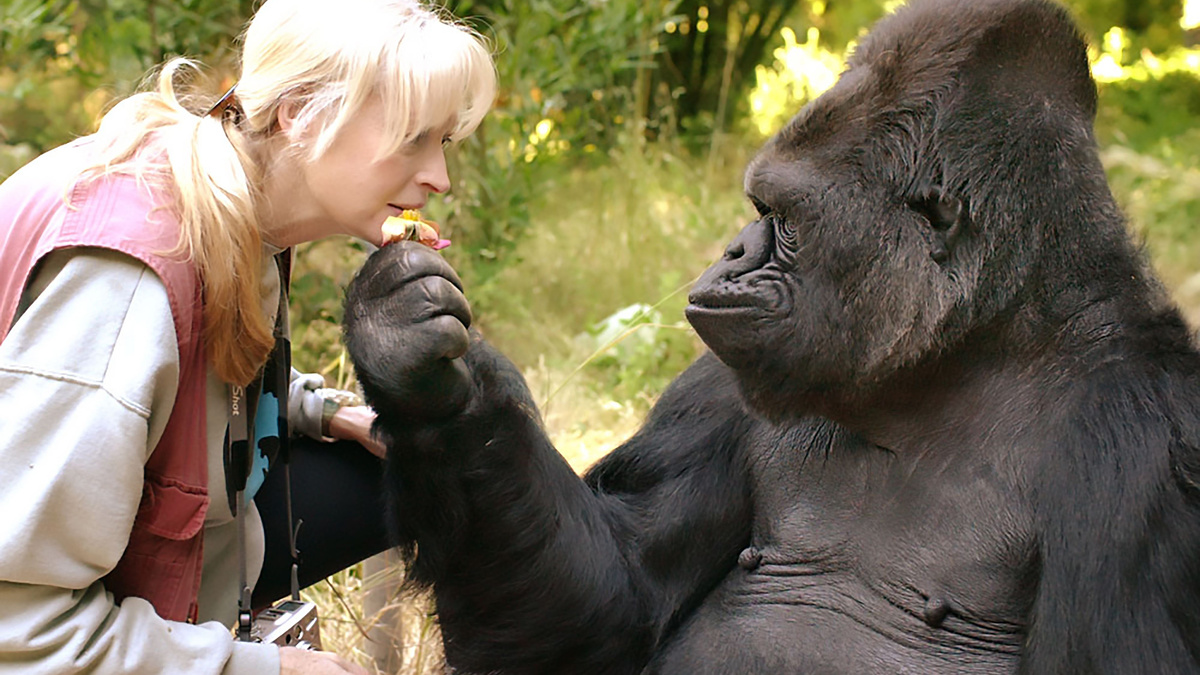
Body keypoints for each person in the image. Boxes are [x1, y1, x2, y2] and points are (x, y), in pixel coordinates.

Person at [0, 0, 496, 671]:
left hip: (166, 555)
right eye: (414, 138)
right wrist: (266, 668)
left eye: (445, 142)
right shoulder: (126, 283)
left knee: (433, 462)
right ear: (299, 114)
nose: (439, 176)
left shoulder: (235, 199)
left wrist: (322, 410)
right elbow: (18, 624)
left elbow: (185, 377)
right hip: (37, 613)